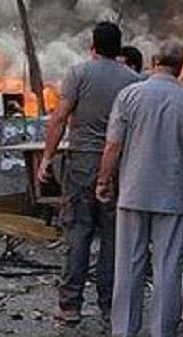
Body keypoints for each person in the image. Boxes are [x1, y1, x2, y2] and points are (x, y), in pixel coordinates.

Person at [97, 41, 183, 337]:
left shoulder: (129, 96)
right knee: (167, 266)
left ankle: (124, 330)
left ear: (153, 61)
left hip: (133, 192)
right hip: (170, 196)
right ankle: (162, 330)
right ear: (181, 65)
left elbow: (113, 146)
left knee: (128, 266)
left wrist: (104, 180)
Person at [38, 22, 141, 324]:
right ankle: (110, 306)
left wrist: (47, 158)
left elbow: (59, 119)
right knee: (114, 236)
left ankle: (70, 305)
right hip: (119, 164)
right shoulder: (134, 81)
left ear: (92, 47)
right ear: (118, 47)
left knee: (78, 231)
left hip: (82, 162)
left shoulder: (79, 73)